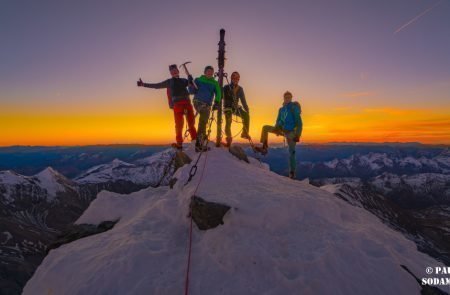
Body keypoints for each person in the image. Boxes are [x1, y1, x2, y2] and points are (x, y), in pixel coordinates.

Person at [137, 64, 197, 150]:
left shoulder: (184, 80)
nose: (174, 72)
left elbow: (193, 87)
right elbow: (156, 86)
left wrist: (190, 79)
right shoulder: (169, 82)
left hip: (187, 103)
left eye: (175, 70)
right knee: (179, 125)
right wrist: (144, 84)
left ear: (178, 71)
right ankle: (179, 144)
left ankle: (195, 141)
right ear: (170, 73)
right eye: (172, 71)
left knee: (191, 123)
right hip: (177, 105)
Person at [255, 91, 302, 179]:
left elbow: (299, 123)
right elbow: (278, 120)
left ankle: (292, 172)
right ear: (284, 98)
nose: (287, 99)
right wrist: (276, 128)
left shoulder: (293, 108)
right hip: (281, 129)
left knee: (292, 152)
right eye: (286, 97)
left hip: (291, 132)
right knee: (265, 128)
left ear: (291, 98)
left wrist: (298, 135)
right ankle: (264, 148)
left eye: (289, 97)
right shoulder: (281, 109)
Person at [190, 65, 222, 152]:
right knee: (203, 122)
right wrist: (191, 84)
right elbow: (191, 91)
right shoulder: (198, 80)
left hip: (207, 105)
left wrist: (217, 102)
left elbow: (218, 93)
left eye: (211, 72)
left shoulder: (215, 83)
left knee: (204, 121)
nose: (210, 73)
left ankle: (202, 138)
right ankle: (199, 145)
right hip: (198, 102)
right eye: (208, 71)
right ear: (204, 72)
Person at [223, 71, 250, 147]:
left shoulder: (240, 89)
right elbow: (223, 97)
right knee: (228, 121)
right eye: (234, 78)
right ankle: (228, 138)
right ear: (231, 78)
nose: (235, 79)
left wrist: (247, 109)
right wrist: (229, 94)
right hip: (227, 107)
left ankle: (245, 133)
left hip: (235, 107)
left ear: (238, 79)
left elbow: (243, 100)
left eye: (237, 78)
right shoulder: (226, 87)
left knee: (246, 116)